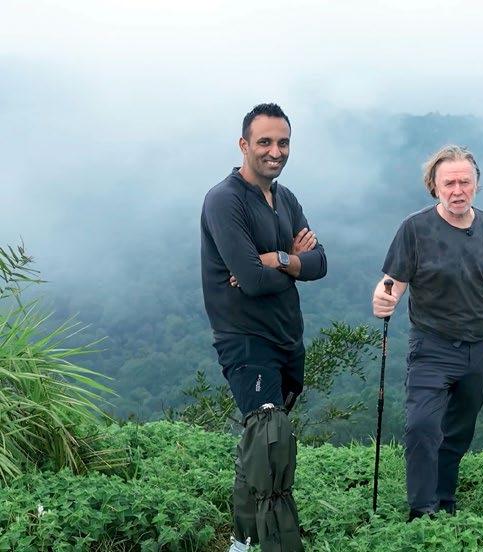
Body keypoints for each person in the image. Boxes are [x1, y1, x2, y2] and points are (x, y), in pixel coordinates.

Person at [371, 145, 483, 521]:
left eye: (465, 182)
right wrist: (384, 298)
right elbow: (394, 281)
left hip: (480, 345)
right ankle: (421, 510)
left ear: (476, 184)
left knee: (459, 428)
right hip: (432, 344)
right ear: (434, 187)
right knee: (422, 425)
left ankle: (444, 498)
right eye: (449, 183)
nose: (458, 190)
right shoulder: (415, 229)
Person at [201, 103, 326, 551]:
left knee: (260, 444)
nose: (275, 151)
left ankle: (241, 541)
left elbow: (320, 263)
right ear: (244, 145)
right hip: (245, 340)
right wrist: (290, 263)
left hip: (287, 338)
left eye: (283, 142)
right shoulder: (224, 200)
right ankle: (279, 544)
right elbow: (251, 282)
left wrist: (277, 258)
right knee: (273, 445)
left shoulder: (285, 198)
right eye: (265, 142)